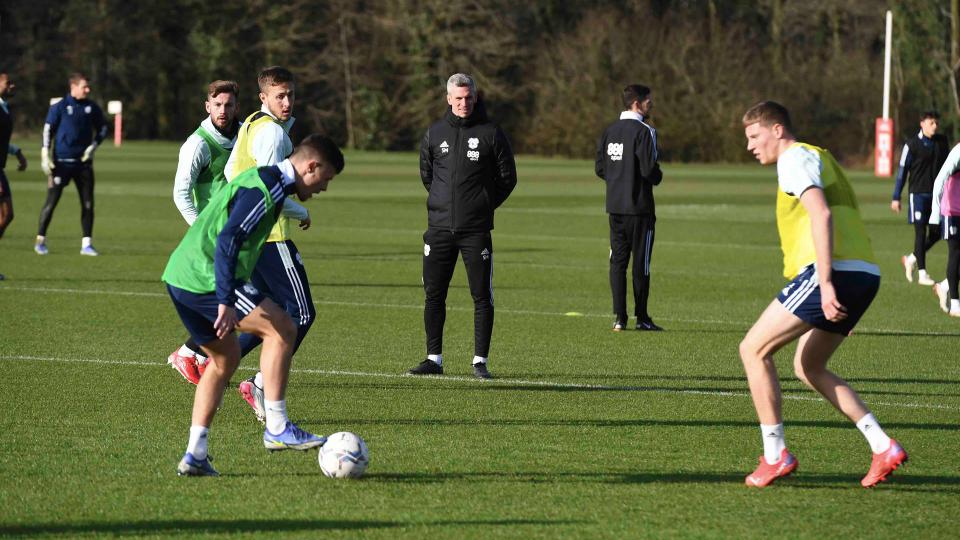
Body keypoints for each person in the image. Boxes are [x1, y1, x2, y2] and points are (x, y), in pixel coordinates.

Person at [739, 101, 906, 488]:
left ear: (777, 130)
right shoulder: (818, 155)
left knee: (753, 349)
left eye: (753, 135)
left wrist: (827, 283)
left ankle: (774, 455)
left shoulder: (793, 158)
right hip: (864, 274)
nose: (749, 145)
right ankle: (882, 446)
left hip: (832, 273)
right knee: (808, 366)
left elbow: (822, 214)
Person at [162, 134, 343, 476]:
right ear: (311, 166)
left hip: (179, 275)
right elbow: (229, 238)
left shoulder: (264, 180)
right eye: (326, 178)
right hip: (205, 277)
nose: (324, 188)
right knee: (284, 327)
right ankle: (277, 428)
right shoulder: (267, 188)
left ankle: (195, 454)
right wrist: (226, 298)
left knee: (224, 359)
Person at [407, 73, 517, 380]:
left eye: (468, 97)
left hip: (475, 230)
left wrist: (481, 204)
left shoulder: (491, 133)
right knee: (433, 294)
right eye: (458, 98)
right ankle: (434, 359)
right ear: (448, 99)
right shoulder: (435, 133)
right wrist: (445, 204)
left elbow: (508, 178)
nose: (463, 103)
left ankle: (480, 361)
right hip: (439, 228)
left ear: (476, 97)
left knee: (481, 295)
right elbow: (427, 175)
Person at [166, 80, 242, 384]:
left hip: (238, 229)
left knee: (234, 298)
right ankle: (190, 352)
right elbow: (180, 193)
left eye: (229, 104)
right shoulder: (197, 144)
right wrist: (201, 230)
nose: (223, 110)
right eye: (218, 104)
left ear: (237, 106)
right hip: (213, 236)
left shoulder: (243, 135)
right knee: (236, 298)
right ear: (207, 106)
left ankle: (192, 352)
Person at [595, 84, 663, 332]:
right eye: (648, 101)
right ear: (637, 103)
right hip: (640, 208)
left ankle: (619, 318)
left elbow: (600, 168)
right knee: (640, 264)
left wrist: (618, 180)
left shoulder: (609, 131)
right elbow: (648, 170)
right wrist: (658, 176)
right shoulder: (646, 132)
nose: (651, 105)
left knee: (617, 263)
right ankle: (642, 318)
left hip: (614, 207)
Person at [36, 72, 108, 256]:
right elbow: (47, 130)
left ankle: (86, 244)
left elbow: (103, 128)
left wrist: (93, 147)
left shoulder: (92, 107)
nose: (88, 90)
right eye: (84, 86)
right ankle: (40, 240)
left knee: (88, 204)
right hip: (61, 164)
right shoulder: (59, 107)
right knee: (51, 203)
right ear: (73, 87)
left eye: (88, 86)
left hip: (83, 164)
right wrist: (45, 153)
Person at [891, 111, 949, 286]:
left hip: (937, 195)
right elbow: (902, 172)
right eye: (931, 123)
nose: (935, 126)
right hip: (917, 194)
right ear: (922, 123)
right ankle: (922, 273)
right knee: (920, 231)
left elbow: (949, 167)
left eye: (937, 123)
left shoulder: (942, 142)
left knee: (938, 232)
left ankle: (912, 258)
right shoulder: (912, 144)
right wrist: (896, 197)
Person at [0, 71, 29, 281]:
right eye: (8, 83)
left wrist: (16, 151)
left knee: (6, 216)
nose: (13, 85)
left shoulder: (4, 106)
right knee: (6, 214)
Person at [930, 144, 960, 317]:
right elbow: (940, 180)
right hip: (952, 212)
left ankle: (944, 286)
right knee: (955, 253)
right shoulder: (958, 152)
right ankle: (956, 304)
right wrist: (935, 215)